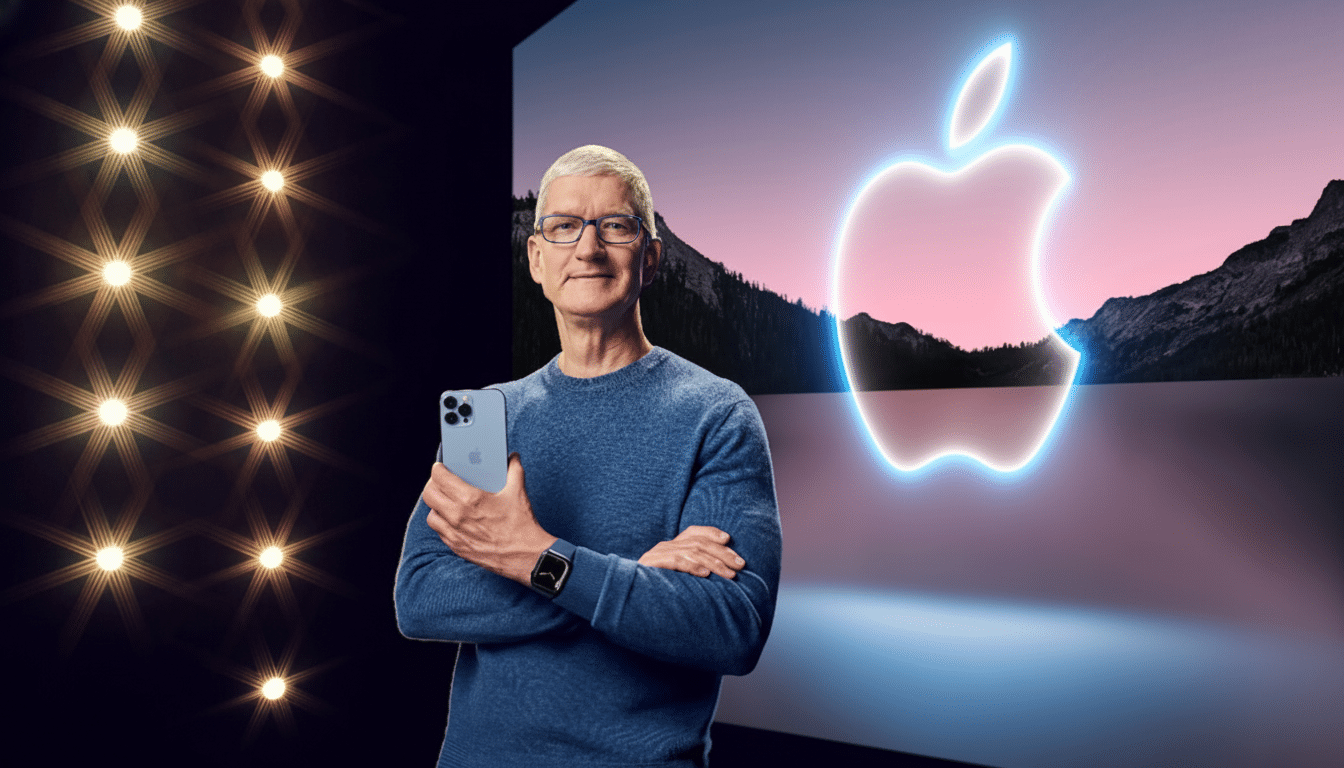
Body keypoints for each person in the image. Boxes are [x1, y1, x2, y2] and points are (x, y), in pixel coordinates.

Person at [395, 145, 782, 768]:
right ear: (536, 257)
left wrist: (532, 557)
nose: (588, 248)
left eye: (616, 226)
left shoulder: (718, 415)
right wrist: (630, 570)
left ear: (651, 257)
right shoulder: (490, 418)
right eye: (564, 226)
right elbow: (421, 598)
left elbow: (730, 627)